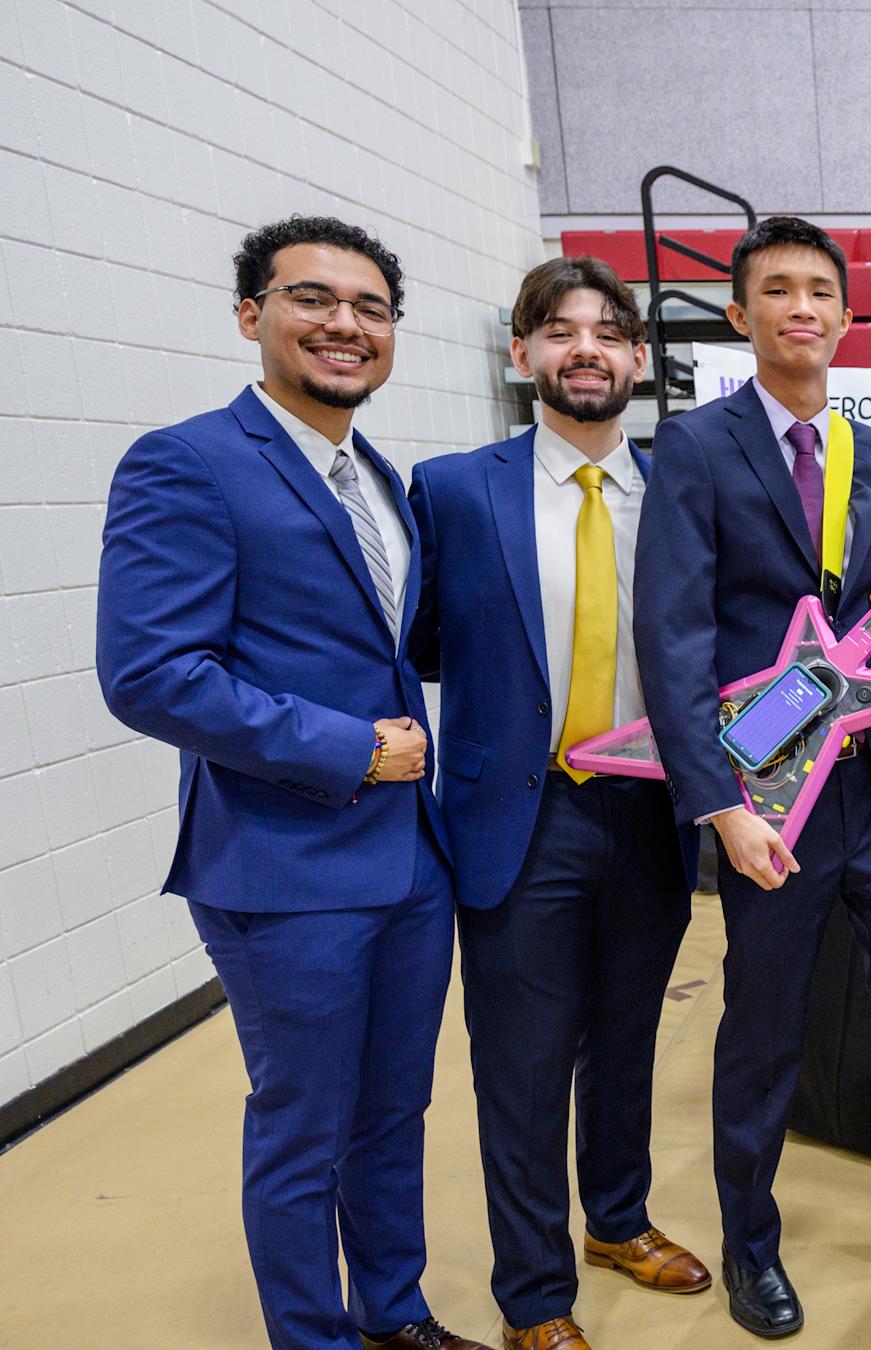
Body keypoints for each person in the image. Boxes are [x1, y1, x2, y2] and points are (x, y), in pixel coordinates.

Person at [95, 216, 487, 1350]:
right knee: (304, 1129)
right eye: (313, 300)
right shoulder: (189, 461)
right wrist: (353, 749)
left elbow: (394, 643)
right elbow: (152, 675)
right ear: (250, 316)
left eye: (370, 309)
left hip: (410, 860)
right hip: (282, 864)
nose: (344, 327)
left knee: (391, 1115)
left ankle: (395, 1314)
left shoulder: (376, 474)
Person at [632, 215, 871, 1339]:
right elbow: (673, 638)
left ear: (847, 314)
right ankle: (751, 1245)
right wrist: (721, 807)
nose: (803, 307)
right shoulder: (695, 448)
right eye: (778, 290)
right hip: (771, 803)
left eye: (821, 291)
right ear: (741, 316)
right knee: (763, 1030)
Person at [408, 257, 707, 1350]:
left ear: (637, 358)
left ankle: (617, 1221)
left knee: (627, 1041)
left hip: (650, 812)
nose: (584, 348)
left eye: (606, 332)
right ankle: (535, 1295)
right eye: (558, 329)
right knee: (523, 1067)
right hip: (517, 821)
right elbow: (426, 642)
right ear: (521, 352)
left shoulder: (684, 487)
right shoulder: (452, 488)